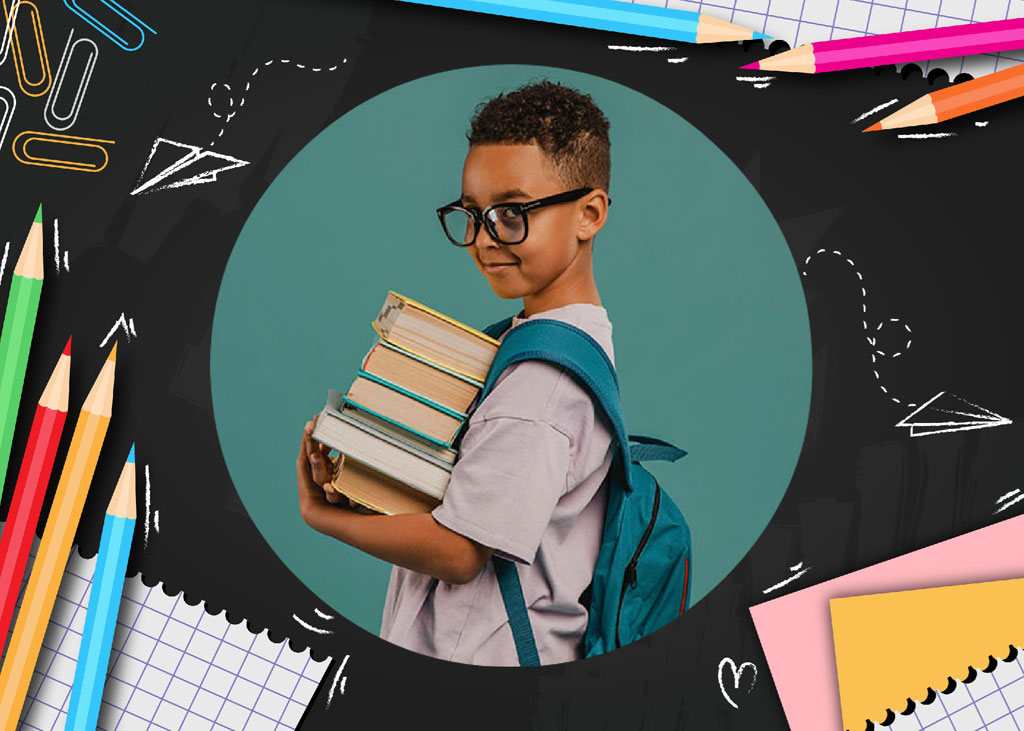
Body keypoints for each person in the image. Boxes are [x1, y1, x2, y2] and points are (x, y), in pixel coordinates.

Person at [296, 80, 615, 665]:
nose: (485, 239)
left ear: (588, 214)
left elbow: (461, 549)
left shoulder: (543, 387)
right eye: (472, 214)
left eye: (512, 214)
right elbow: (472, 504)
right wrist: (361, 494)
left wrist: (323, 519)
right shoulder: (533, 342)